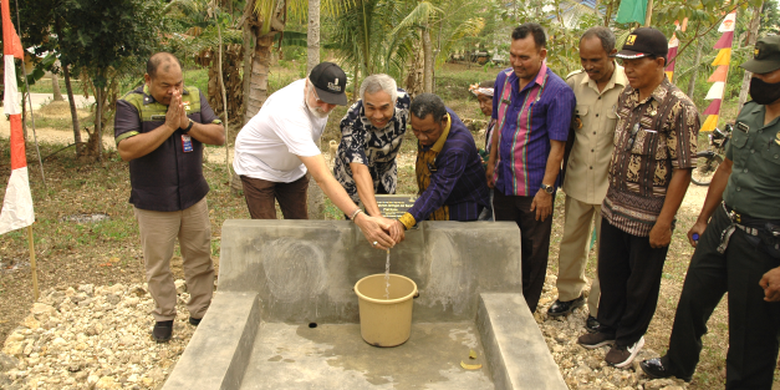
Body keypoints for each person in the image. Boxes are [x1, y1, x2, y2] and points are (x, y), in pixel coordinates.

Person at [640, 35, 780, 389]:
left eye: (769, 74)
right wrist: (704, 218)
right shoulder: (750, 111)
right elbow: (727, 168)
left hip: (765, 239)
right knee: (693, 298)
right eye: (757, 73)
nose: (759, 81)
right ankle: (678, 363)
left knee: (751, 330)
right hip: (724, 224)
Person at [576, 27, 700, 368]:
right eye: (625, 62)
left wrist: (664, 222)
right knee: (611, 271)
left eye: (636, 63)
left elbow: (683, 169)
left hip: (650, 215)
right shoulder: (627, 97)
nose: (628, 69)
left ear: (660, 62)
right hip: (615, 205)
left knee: (640, 281)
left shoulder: (679, 109)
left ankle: (630, 337)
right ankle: (609, 325)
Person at [114, 52, 225, 342]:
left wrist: (186, 124)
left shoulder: (195, 96)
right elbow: (126, 149)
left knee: (200, 258)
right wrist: (167, 126)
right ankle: (164, 315)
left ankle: (201, 310)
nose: (174, 91)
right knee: (159, 264)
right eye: (166, 85)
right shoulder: (130, 103)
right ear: (148, 80)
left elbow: (218, 135)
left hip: (193, 196)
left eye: (178, 84)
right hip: (153, 202)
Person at [233, 62, 397, 249]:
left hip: (293, 167)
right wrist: (359, 217)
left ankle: (301, 268)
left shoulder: (317, 100)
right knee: (268, 232)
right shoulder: (289, 112)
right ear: (307, 86)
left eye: (332, 102)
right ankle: (272, 269)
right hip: (258, 166)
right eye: (321, 100)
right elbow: (322, 177)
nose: (326, 108)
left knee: (301, 227)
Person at [485, 22, 576, 313]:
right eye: (512, 55)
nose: (516, 62)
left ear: (542, 53)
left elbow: (558, 146)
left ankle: (526, 308)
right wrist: (491, 163)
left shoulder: (558, 92)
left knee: (533, 251)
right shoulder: (504, 79)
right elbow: (498, 123)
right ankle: (503, 300)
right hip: (503, 181)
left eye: (524, 57)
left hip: (534, 188)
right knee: (504, 244)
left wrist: (547, 190)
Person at [547, 27, 627, 333]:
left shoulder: (629, 87)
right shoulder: (573, 84)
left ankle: (600, 308)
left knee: (608, 252)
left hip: (612, 188)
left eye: (595, 59)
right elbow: (564, 133)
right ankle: (569, 295)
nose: (589, 66)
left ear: (612, 55)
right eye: (584, 59)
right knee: (571, 243)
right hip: (578, 181)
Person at [390, 93, 489, 236]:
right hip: (437, 196)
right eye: (416, 131)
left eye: (428, 132)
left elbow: (438, 190)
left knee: (453, 245)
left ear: (443, 121)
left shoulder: (457, 148)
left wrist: (403, 223)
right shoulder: (435, 115)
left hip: (462, 202)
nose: (421, 137)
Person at [333, 74, 410, 216]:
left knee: (388, 214)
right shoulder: (352, 121)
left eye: (384, 108)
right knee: (360, 223)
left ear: (395, 101)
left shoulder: (404, 102)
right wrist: (376, 218)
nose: (378, 115)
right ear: (363, 101)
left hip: (385, 170)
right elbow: (359, 171)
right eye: (371, 108)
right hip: (354, 176)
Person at [469, 79, 497, 221]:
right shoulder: (493, 121)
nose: (482, 106)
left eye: (486, 101)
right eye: (479, 102)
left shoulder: (502, 122)